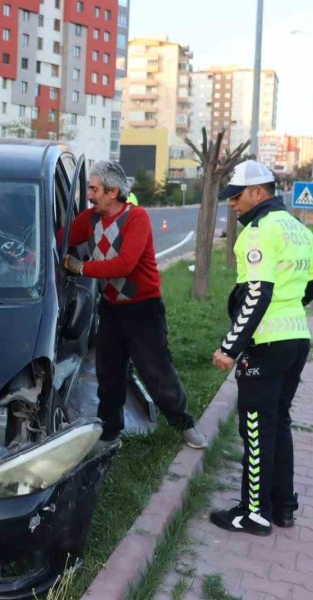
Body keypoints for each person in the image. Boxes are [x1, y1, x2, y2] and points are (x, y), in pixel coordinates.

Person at [208, 160, 313, 536]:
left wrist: (230, 346)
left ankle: (254, 514)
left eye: (237, 196)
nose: (233, 204)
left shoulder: (258, 232)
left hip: (266, 345)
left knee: (256, 429)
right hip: (296, 340)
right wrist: (288, 311)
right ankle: (283, 507)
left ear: (258, 192)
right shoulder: (297, 228)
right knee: (279, 421)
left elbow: (257, 293)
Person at [63, 161, 206, 452]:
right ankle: (110, 431)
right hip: (111, 309)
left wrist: (81, 268)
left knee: (156, 370)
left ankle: (184, 423)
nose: (89, 195)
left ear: (112, 192)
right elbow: (60, 239)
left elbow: (124, 264)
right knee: (108, 372)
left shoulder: (136, 218)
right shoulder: (89, 219)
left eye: (94, 189)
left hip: (144, 310)